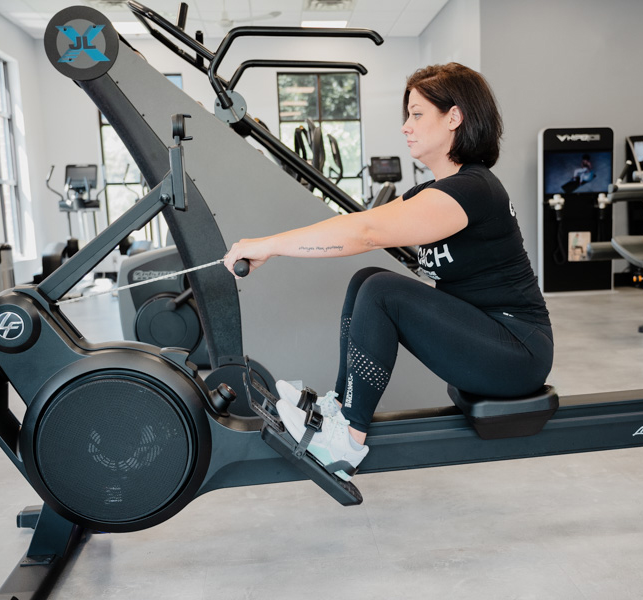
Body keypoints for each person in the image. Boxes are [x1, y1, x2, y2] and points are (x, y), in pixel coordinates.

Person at [223, 63, 553, 481]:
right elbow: (359, 222)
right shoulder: (434, 191)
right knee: (367, 280)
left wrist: (268, 247)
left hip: (517, 351)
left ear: (454, 117)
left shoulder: (473, 189)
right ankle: (340, 412)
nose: (406, 127)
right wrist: (271, 244)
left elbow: (365, 233)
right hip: (489, 338)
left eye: (417, 114)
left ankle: (346, 442)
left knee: (382, 290)